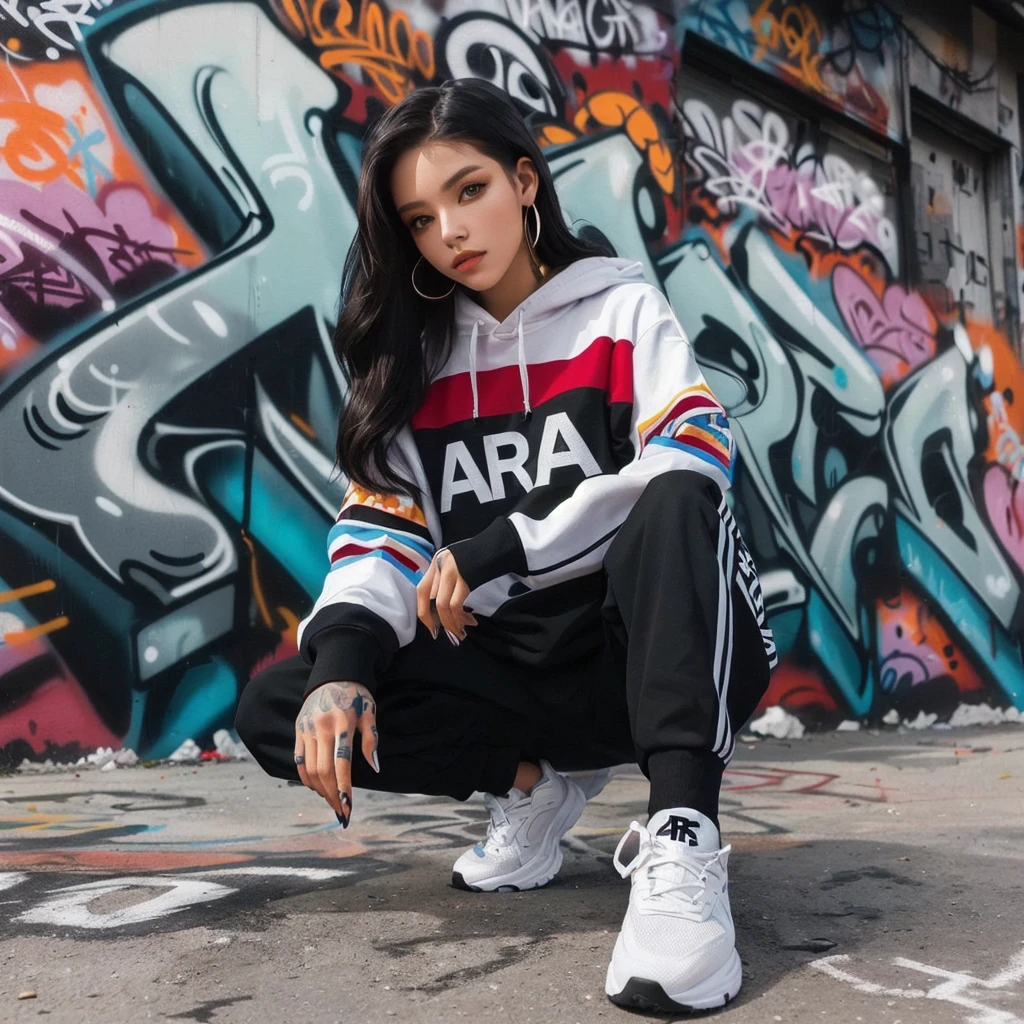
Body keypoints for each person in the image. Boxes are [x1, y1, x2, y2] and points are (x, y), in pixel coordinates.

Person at [235, 77, 775, 1014]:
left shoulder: (620, 313)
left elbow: (693, 457)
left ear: (525, 182)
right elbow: (379, 535)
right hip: (513, 672)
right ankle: (530, 790)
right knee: (289, 698)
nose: (449, 229)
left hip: (640, 654)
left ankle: (683, 834)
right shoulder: (418, 359)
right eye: (419, 217)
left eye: (470, 189)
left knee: (680, 491)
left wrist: (508, 546)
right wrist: (345, 667)